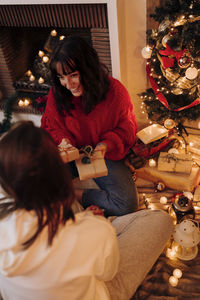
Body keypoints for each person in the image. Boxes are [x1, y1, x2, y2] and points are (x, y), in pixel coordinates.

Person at [0, 121, 174, 300]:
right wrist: (96, 225)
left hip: (73, 232)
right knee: (161, 219)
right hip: (95, 281)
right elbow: (107, 273)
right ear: (60, 174)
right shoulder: (93, 231)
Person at [40, 35, 139, 217]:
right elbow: (51, 125)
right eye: (62, 77)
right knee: (34, 182)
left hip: (104, 155)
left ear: (88, 69)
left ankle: (74, 195)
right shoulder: (58, 93)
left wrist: (105, 145)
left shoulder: (115, 91)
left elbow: (127, 129)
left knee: (127, 204)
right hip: (71, 155)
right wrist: (64, 142)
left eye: (73, 75)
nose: (68, 84)